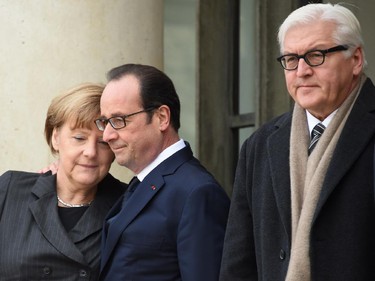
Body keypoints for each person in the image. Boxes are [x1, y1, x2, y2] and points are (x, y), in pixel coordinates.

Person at [219, 3, 375, 281]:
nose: (301, 70)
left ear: (356, 59)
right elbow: (238, 261)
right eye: (291, 59)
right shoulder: (260, 145)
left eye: (316, 55)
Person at [94, 63, 230, 280]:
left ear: (162, 118)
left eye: (119, 121)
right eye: (105, 122)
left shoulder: (198, 193)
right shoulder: (144, 181)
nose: (107, 135)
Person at [0, 83, 126, 280]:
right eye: (79, 138)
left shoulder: (126, 204)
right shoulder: (11, 189)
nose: (91, 152)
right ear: (55, 138)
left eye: (103, 142)